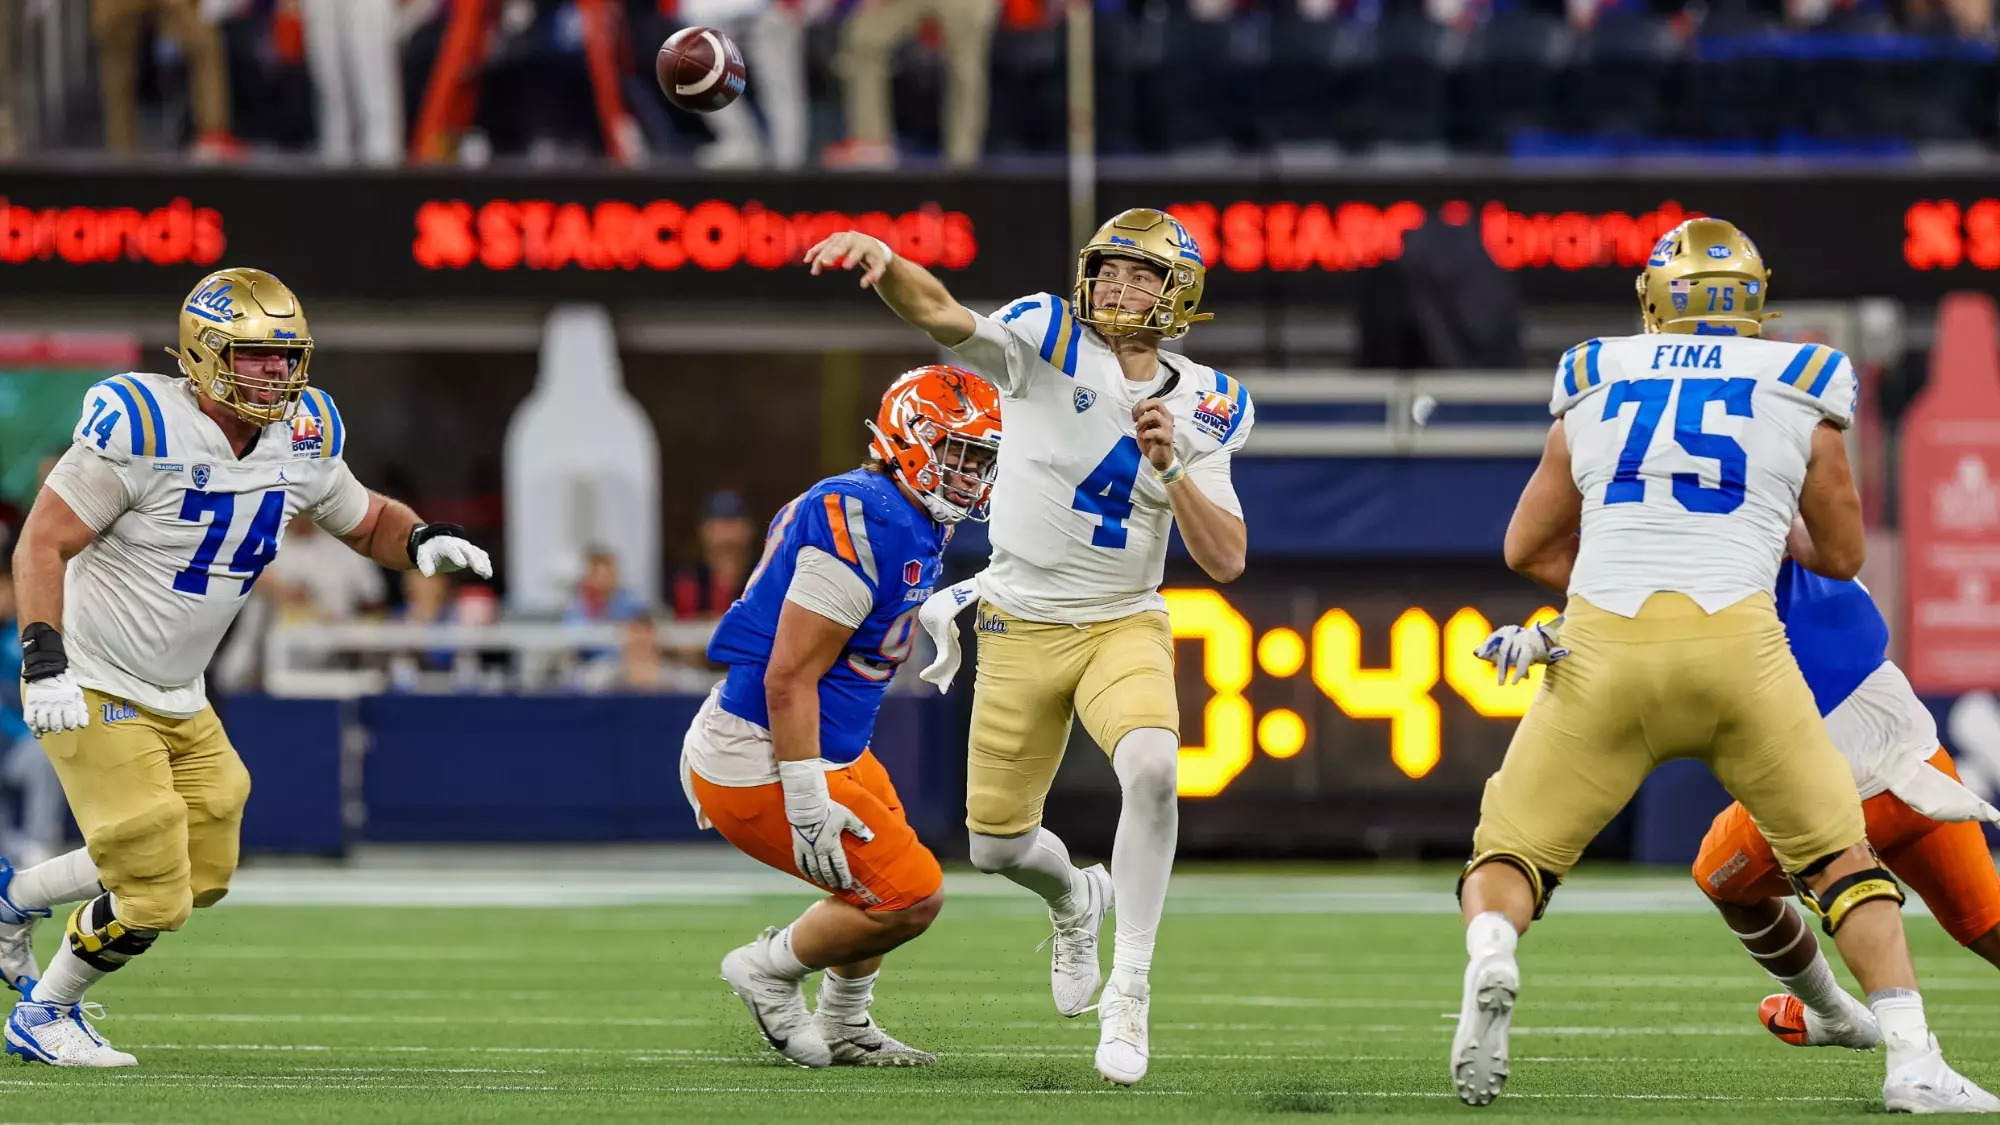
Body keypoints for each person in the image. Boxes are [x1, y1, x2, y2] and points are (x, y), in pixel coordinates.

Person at [1456, 217, 1995, 1112]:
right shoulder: (1802, 379)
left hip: (1621, 649)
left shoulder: (1595, 375)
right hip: (1742, 649)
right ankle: (1905, 1053)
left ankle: (1491, 954)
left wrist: (1575, 614)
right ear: (1755, 301)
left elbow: (1526, 544)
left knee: (1513, 849)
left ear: (1652, 301)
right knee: (1834, 862)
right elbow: (1845, 551)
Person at [0, 266, 492, 1067]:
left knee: (201, 864)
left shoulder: (304, 434)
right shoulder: (140, 424)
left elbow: (364, 519)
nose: (274, 373)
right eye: (255, 356)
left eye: (284, 355)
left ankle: (14, 898)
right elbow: (42, 540)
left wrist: (419, 538)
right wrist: (45, 660)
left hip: (179, 689)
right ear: (201, 353)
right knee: (153, 879)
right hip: (91, 670)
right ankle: (47, 1010)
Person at [804, 208, 1253, 1086]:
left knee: (1156, 770)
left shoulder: (1206, 399)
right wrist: (889, 260)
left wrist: (1171, 470)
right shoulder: (1046, 335)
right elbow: (942, 315)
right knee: (998, 847)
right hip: (1017, 616)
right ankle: (1076, 898)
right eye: (1110, 270)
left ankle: (1131, 988)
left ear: (1179, 295)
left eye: (1141, 276)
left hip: (1123, 617)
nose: (1118, 288)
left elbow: (1228, 556)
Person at [680, 365, 1001, 1069]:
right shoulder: (868, 514)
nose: (972, 475)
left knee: (883, 876)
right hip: (762, 746)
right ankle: (767, 966)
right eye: (960, 453)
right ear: (910, 440)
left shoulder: (898, 509)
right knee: (910, 894)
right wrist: (803, 794)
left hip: (826, 742)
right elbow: (788, 673)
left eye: (982, 460)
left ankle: (846, 1022)